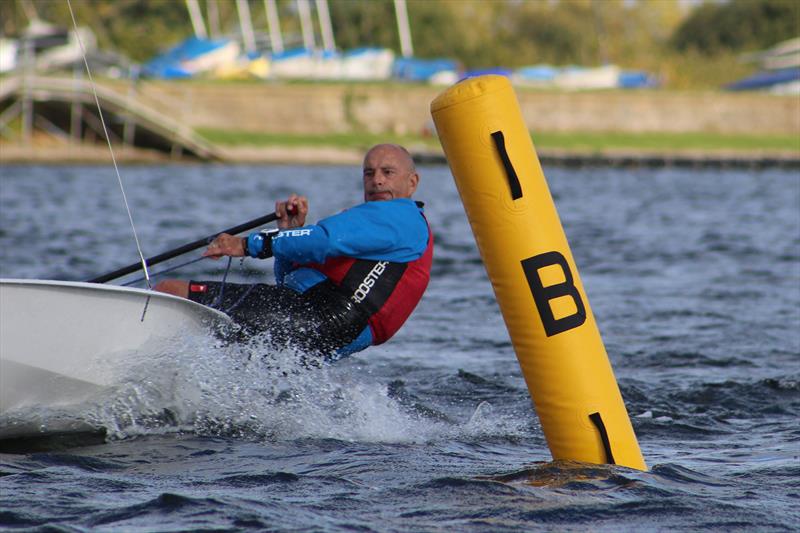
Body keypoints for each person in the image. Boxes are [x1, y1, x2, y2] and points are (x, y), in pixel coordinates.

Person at [155, 144, 433, 361]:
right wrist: (289, 231)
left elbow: (322, 239)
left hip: (327, 317)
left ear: (412, 183)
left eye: (388, 172)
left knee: (169, 291)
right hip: (329, 326)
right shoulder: (378, 232)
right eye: (369, 173)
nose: (377, 181)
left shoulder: (400, 218)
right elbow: (288, 283)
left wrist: (246, 245)